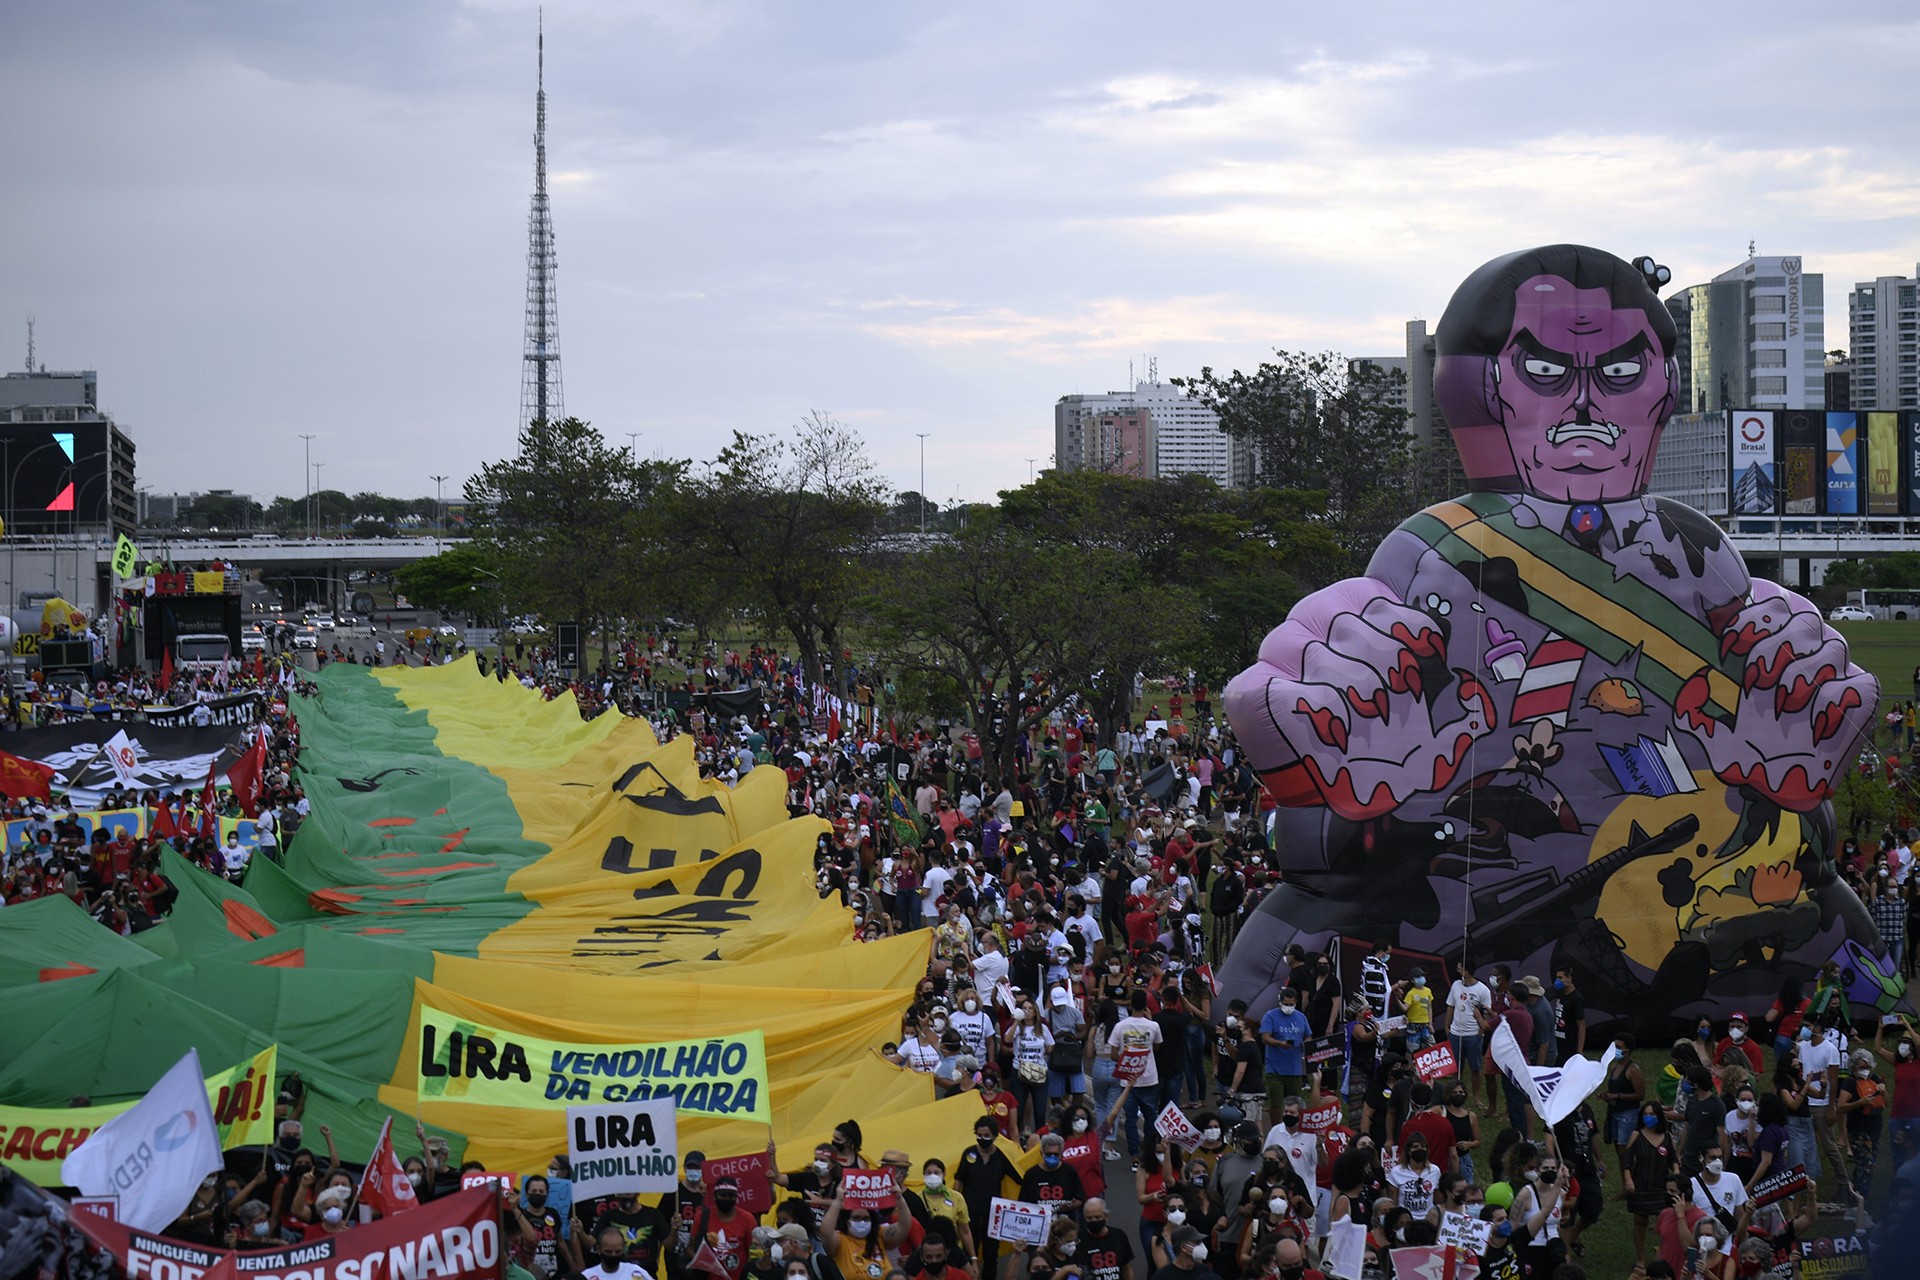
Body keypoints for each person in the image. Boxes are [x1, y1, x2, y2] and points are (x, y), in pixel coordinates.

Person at [1624, 1102, 1677, 1266]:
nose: (1649, 1117)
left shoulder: (1666, 1137)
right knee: (1640, 1223)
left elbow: (1673, 1159)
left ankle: (1662, 1253)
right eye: (1646, 1114)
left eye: (1653, 1115)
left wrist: (1676, 1172)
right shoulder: (1637, 1135)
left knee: (1665, 1222)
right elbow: (1626, 1160)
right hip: (1641, 1186)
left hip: (1661, 1187)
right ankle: (1641, 1259)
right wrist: (1628, 1179)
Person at [1445, 959, 1493, 1113]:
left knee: (1475, 1068)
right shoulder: (1455, 985)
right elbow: (1450, 1006)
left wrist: (1480, 1031)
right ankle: (1453, 1094)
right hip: (1455, 1033)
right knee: (1455, 1069)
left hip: (1473, 1035)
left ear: (1466, 970)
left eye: (1460, 967)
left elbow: (1486, 1013)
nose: (1457, 969)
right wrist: (1447, 1027)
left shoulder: (1483, 990)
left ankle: (1477, 1098)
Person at [1258, 987, 1311, 1115]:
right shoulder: (1270, 1016)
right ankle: (1275, 1129)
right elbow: (1265, 1037)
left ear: (1296, 1003)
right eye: (1286, 1004)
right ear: (1280, 1002)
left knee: (1295, 1103)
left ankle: (1293, 1128)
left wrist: (1306, 1044)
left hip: (1294, 1069)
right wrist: (1279, 1043)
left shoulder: (1301, 1017)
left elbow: (1308, 1035)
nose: (1288, 1007)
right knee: (1276, 1103)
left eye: (1291, 1004)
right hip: (1275, 1069)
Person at [1075, 1198, 1136, 1280]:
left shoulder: (1119, 1235)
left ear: (1106, 1216)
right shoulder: (1079, 1239)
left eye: (1097, 1217)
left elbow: (1127, 1266)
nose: (1094, 1220)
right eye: (1089, 1218)